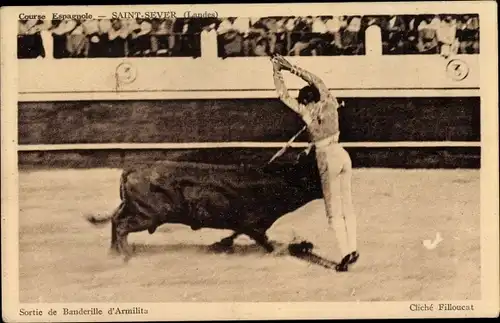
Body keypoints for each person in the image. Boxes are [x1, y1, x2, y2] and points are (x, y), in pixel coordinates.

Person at [270, 53, 358, 272]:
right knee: (347, 206)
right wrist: (290, 68)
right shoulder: (329, 101)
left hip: (326, 158)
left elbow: (283, 96)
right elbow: (316, 80)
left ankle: (346, 253)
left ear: (306, 101)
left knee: (333, 212)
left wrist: (276, 71)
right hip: (342, 153)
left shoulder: (306, 111)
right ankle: (353, 247)